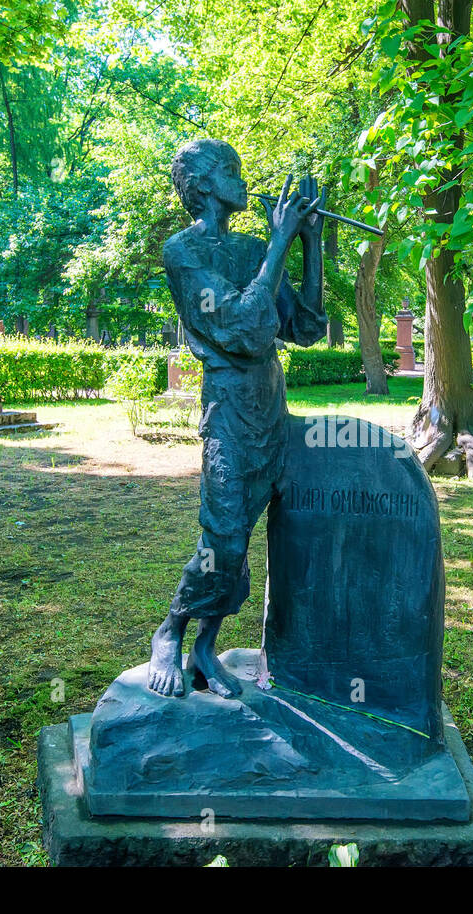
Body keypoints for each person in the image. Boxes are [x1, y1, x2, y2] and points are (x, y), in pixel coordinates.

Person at [146, 139, 327, 698]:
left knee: (244, 534)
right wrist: (279, 243)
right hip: (228, 408)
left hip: (270, 404)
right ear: (202, 185)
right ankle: (170, 631)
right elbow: (244, 329)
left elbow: (306, 327)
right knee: (222, 537)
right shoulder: (183, 254)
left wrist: (310, 246)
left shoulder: (253, 248)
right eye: (230, 170)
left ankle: (206, 647)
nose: (242, 177)